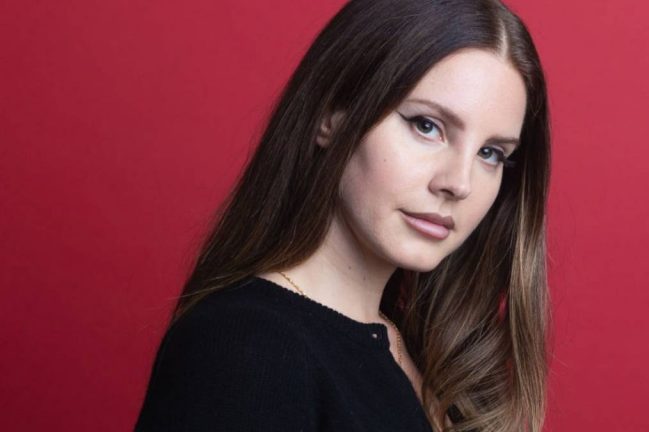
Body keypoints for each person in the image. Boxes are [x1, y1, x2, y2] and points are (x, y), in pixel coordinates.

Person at [134, 0, 552, 431]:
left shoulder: (423, 355)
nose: (459, 183)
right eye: (426, 125)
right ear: (331, 116)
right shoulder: (245, 348)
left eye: (491, 153)